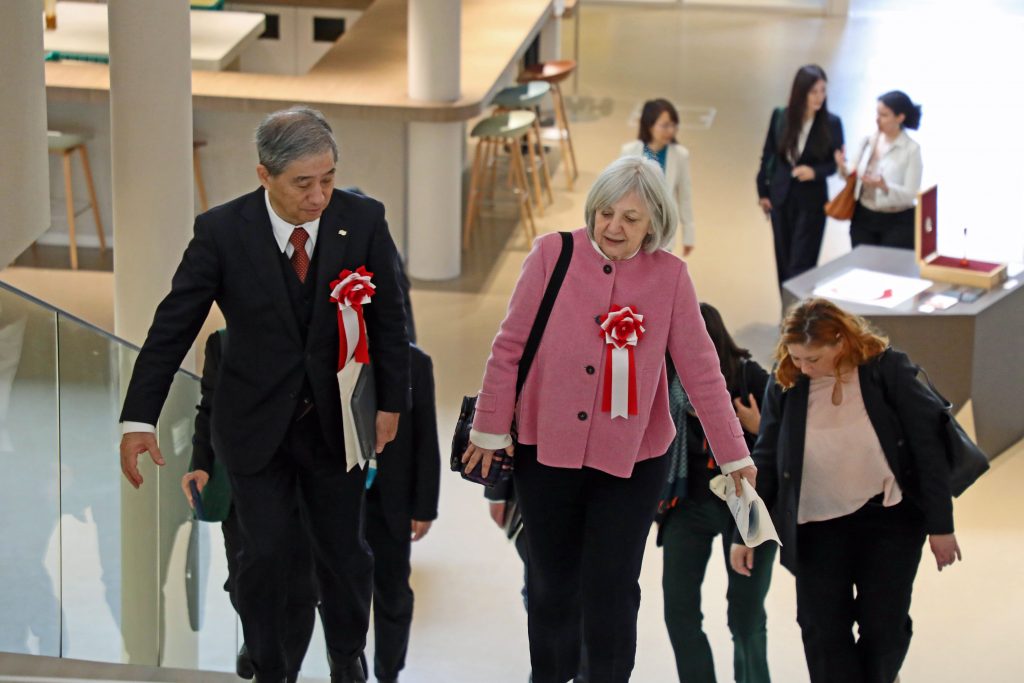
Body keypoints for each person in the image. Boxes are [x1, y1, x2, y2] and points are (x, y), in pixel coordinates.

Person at [119, 106, 411, 683]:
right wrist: (138, 419)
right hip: (253, 426)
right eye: (304, 183)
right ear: (264, 175)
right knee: (266, 556)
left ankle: (346, 653)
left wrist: (390, 404)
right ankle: (271, 665)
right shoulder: (222, 232)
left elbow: (389, 319)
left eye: (328, 178)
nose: (319, 196)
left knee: (344, 555)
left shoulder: (364, 220)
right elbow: (172, 326)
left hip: (336, 423)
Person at [462, 156, 757, 683]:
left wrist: (736, 456)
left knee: (612, 588)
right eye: (605, 212)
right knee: (550, 585)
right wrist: (488, 428)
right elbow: (508, 348)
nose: (613, 227)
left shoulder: (670, 279)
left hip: (632, 461)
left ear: (654, 225)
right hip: (545, 449)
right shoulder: (551, 255)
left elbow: (704, 373)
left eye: (630, 218)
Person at [731, 298, 962, 683]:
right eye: (797, 357)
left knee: (884, 628)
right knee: (822, 631)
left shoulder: (886, 370)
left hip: (888, 520)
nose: (804, 367)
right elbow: (766, 459)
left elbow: (928, 449)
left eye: (813, 359)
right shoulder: (786, 382)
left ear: (840, 341)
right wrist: (746, 533)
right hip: (815, 527)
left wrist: (941, 525)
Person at [181, 330, 318, 683]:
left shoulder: (318, 337)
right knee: (244, 581)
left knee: (302, 586)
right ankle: (259, 638)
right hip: (241, 483)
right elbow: (208, 408)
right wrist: (199, 463)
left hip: (304, 479)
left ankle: (282, 672)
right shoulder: (222, 344)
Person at [658, 303, 776, 683]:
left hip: (748, 509)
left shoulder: (749, 379)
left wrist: (758, 427)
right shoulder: (665, 385)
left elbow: (782, 451)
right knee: (679, 612)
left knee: (744, 617)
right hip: (686, 505)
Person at [363, 342, 441, 683]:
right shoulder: (326, 347)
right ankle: (348, 668)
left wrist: (424, 505)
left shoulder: (415, 363)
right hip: (335, 493)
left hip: (390, 499)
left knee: (393, 591)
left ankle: (388, 672)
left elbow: (426, 436)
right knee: (334, 589)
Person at [756, 65, 845, 288]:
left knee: (802, 265)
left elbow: (834, 165)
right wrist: (763, 192)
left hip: (812, 202)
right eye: (814, 92)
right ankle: (786, 317)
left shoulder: (832, 124)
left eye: (823, 91)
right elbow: (769, 155)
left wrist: (814, 172)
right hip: (781, 198)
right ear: (801, 92)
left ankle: (799, 318)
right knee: (784, 262)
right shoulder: (781, 117)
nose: (819, 97)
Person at [836, 91, 923, 249]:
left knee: (889, 270)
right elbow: (852, 171)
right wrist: (842, 166)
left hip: (898, 221)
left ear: (900, 117)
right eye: (877, 113)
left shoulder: (911, 150)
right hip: (864, 216)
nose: (878, 119)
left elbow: (911, 193)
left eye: (884, 115)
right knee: (861, 266)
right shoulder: (868, 141)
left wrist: (884, 186)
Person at [621, 98, 696, 256]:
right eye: (665, 125)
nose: (671, 131)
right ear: (649, 125)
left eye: (674, 125)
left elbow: (685, 197)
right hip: (633, 224)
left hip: (662, 228)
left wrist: (689, 234)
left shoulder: (680, 155)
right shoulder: (629, 152)